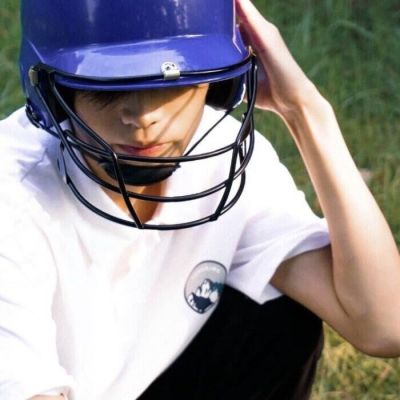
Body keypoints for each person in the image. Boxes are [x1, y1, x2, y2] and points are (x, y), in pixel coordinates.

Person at [1, 0, 399, 399]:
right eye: (109, 87)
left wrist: (305, 111)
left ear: (218, 81)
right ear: (54, 90)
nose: (144, 116)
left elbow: (385, 326)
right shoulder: (14, 197)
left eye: (172, 81)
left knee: (283, 313)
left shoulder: (223, 159)